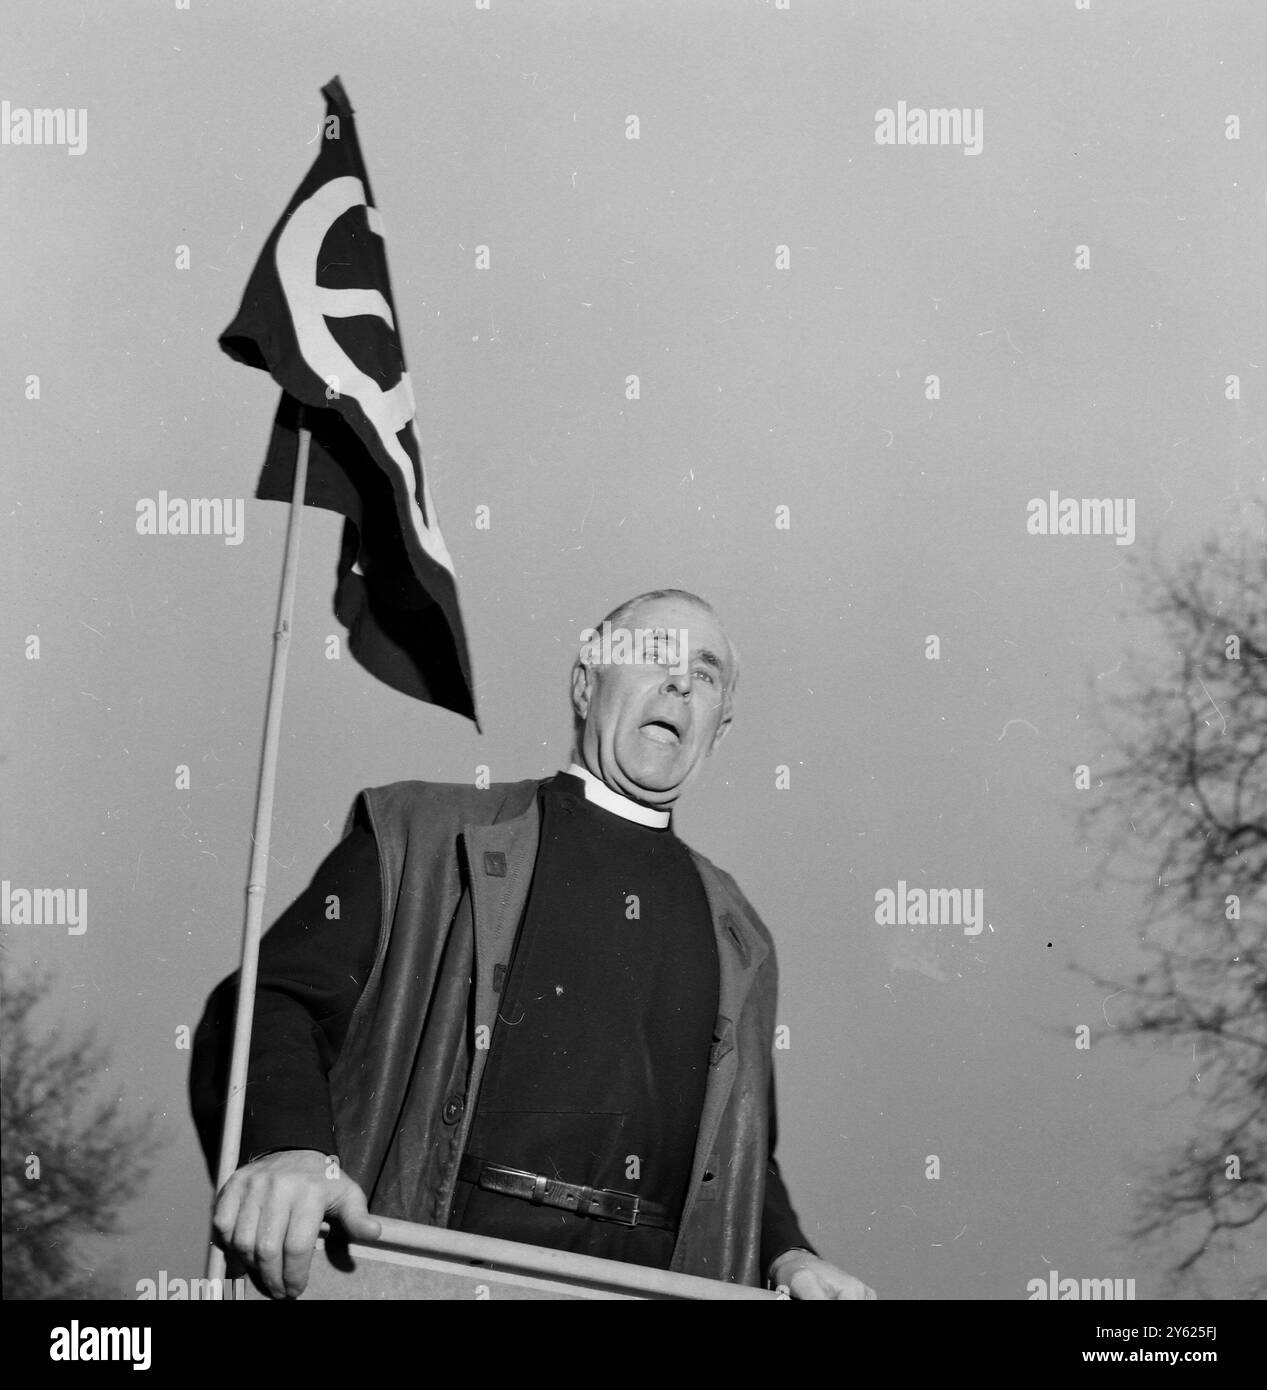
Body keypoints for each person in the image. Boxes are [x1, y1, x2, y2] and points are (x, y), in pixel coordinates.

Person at [191, 588, 875, 1301]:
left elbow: (741, 1153)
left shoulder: (740, 933)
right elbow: (266, 1005)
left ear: (719, 726)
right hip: (426, 1270)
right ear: (585, 685)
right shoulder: (423, 833)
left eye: (704, 675)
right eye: (651, 656)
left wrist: (790, 1256)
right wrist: (292, 1150)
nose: (680, 682)